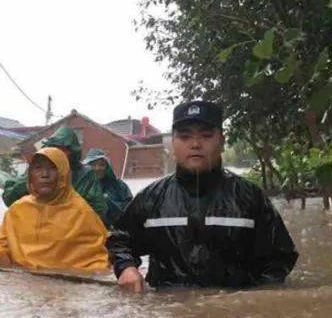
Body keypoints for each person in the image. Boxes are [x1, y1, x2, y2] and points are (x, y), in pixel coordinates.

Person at [107, 100, 299, 292]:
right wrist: (126, 268)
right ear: (173, 144)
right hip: (169, 312)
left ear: (222, 142)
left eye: (206, 136)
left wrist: (258, 298)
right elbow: (119, 239)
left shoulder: (250, 197)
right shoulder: (151, 198)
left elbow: (280, 256)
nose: (196, 144)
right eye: (185, 137)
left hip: (234, 315)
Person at [0, 147, 110, 273]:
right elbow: (1, 244)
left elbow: (98, 259)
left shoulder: (82, 212)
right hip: (23, 285)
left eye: (52, 168)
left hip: (64, 288)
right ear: (30, 175)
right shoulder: (18, 209)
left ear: (63, 174)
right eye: (38, 168)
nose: (44, 175)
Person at [1, 126, 108, 224]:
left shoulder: (84, 174)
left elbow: (98, 210)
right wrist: (29, 183)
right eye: (54, 149)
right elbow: (9, 198)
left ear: (72, 152)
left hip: (69, 232)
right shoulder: (39, 170)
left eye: (63, 150)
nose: (58, 154)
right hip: (34, 228)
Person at [83, 147, 134, 227]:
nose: (98, 168)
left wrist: (108, 203)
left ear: (107, 167)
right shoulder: (83, 186)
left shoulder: (118, 186)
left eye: (102, 165)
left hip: (116, 231)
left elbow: (130, 208)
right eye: (93, 165)